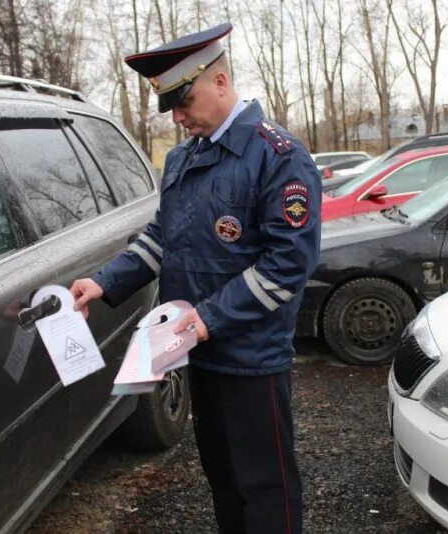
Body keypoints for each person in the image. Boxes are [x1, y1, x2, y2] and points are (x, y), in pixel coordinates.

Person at [70, 22, 320, 534]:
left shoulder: (279, 157)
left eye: (184, 100)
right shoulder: (183, 158)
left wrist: (205, 319)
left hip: (251, 361)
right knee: (222, 478)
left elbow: (287, 265)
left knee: (266, 488)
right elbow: (162, 237)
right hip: (198, 353)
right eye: (170, 106)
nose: (178, 115)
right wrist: (103, 282)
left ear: (221, 82)